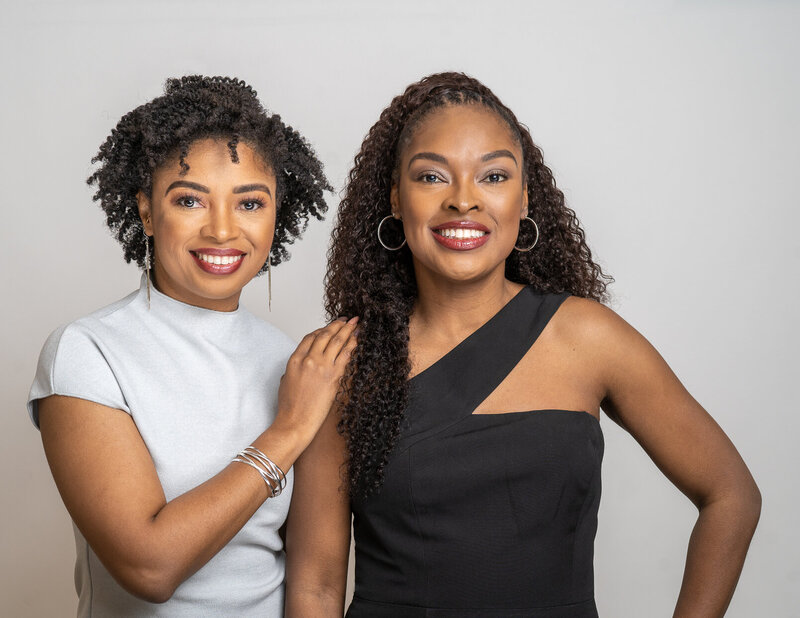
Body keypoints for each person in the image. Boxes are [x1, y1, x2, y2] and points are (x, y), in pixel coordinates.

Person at [285, 72, 761, 617]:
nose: (463, 200)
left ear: (524, 199)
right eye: (432, 176)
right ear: (395, 200)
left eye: (492, 175)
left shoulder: (588, 337)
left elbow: (732, 496)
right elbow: (316, 587)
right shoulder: (342, 361)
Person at [28, 75, 358, 616]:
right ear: (145, 211)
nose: (223, 230)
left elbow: (315, 584)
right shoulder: (87, 352)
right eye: (190, 201)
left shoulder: (295, 365)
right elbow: (149, 567)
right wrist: (289, 431)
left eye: (250, 203)